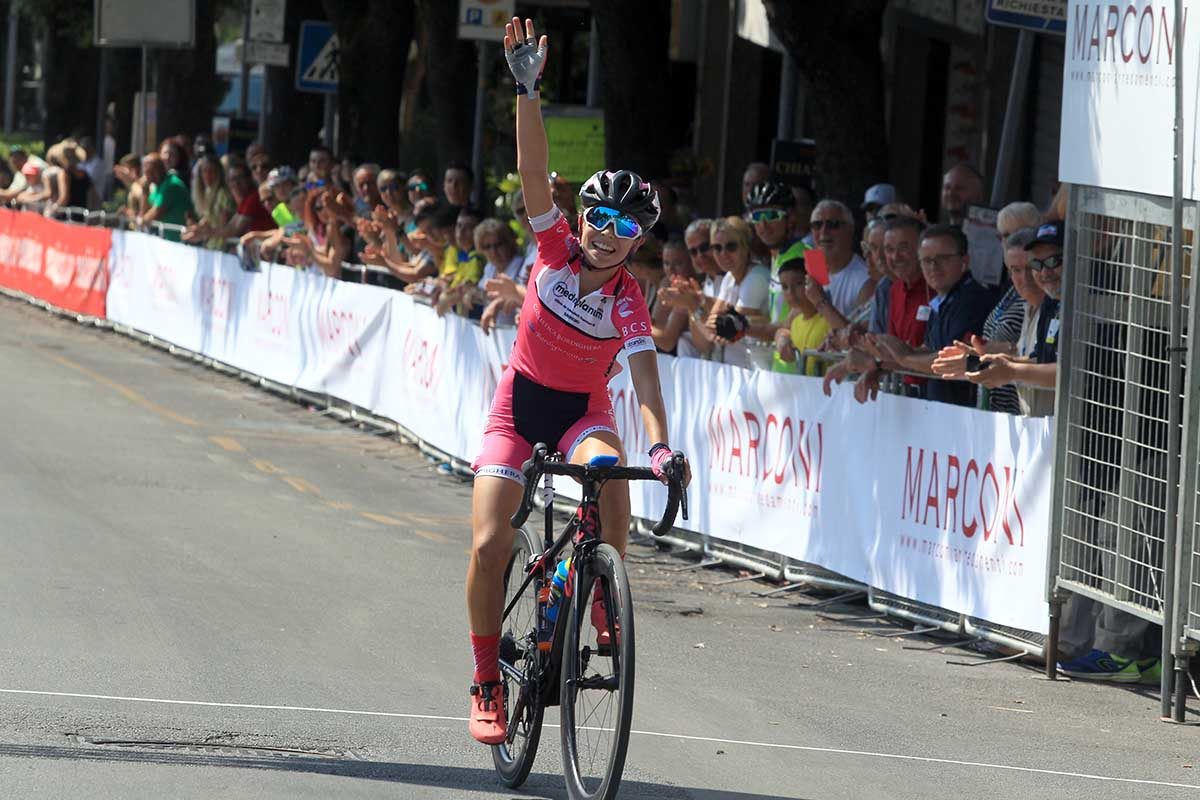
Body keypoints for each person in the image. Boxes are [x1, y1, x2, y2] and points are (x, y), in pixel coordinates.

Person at [465, 18, 690, 745]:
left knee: (612, 472)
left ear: (635, 241)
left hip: (579, 413)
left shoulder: (629, 300)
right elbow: (535, 175)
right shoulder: (555, 247)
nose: (605, 229)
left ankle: (603, 595)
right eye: (600, 214)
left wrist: (660, 449)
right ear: (585, 216)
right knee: (489, 545)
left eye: (624, 225)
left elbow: (646, 380)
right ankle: (486, 680)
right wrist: (527, 89)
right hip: (520, 407)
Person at [866, 224, 995, 406]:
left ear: (964, 260)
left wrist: (904, 357)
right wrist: (884, 362)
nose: (933, 267)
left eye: (943, 259)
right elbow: (929, 350)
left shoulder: (972, 300)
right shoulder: (942, 298)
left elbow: (952, 359)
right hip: (941, 410)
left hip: (967, 415)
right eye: (926, 260)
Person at [807, 199, 871, 320]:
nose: (823, 231)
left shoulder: (865, 278)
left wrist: (821, 302)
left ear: (850, 230)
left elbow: (858, 337)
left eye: (833, 224)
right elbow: (796, 317)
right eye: (817, 225)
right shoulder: (815, 263)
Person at [773, 256, 829, 376]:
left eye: (798, 284)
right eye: (785, 287)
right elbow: (782, 330)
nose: (790, 292)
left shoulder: (829, 320)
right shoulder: (795, 323)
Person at [182, 154, 235, 249]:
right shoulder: (207, 191)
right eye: (204, 171)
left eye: (212, 171)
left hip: (220, 247)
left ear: (219, 172)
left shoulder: (223, 193)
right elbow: (209, 219)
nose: (208, 175)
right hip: (210, 245)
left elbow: (224, 225)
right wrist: (195, 228)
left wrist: (202, 234)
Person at [139, 153, 192, 242]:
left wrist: (141, 220)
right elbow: (145, 212)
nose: (148, 176)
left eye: (152, 171)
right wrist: (144, 190)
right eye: (146, 172)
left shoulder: (171, 185)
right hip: (166, 240)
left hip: (180, 241)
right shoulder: (157, 187)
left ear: (161, 169)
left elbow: (152, 216)